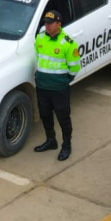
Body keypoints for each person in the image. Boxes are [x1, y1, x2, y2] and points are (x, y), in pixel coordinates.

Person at [33, 10, 80, 161]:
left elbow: (74, 67)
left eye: (50, 23)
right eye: (45, 22)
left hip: (59, 89)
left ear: (59, 24)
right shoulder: (40, 38)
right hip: (42, 86)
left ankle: (66, 145)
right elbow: (37, 57)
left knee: (63, 118)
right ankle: (50, 140)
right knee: (45, 115)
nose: (47, 25)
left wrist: (63, 81)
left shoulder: (68, 43)